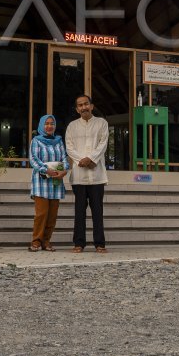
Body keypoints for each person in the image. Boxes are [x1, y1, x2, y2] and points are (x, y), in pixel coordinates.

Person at [65, 94, 109, 253]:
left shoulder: (102, 123)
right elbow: (69, 147)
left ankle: (100, 244)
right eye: (80, 105)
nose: (83, 107)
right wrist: (81, 160)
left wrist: (91, 159)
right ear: (77, 109)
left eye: (86, 104)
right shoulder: (72, 126)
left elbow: (103, 144)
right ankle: (79, 243)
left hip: (97, 176)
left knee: (98, 212)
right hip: (79, 176)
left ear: (91, 106)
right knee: (79, 212)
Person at [28, 114, 68, 252]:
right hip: (41, 182)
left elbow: (64, 158)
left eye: (52, 123)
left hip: (56, 182)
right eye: (46, 124)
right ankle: (36, 242)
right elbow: (33, 159)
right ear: (41, 125)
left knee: (52, 215)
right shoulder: (36, 141)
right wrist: (46, 170)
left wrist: (65, 170)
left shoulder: (59, 141)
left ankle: (46, 241)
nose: (49, 126)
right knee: (41, 214)